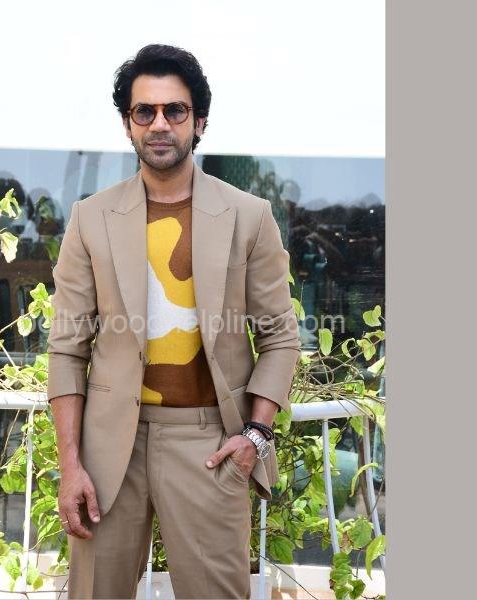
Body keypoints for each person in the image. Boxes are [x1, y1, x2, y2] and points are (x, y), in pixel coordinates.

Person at [46, 44, 301, 599]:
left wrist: (256, 434)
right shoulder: (91, 218)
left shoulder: (248, 216)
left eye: (175, 110)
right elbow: (67, 348)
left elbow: (280, 336)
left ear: (199, 121)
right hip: (108, 447)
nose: (159, 124)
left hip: (210, 442)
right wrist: (71, 465)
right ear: (128, 123)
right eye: (145, 111)